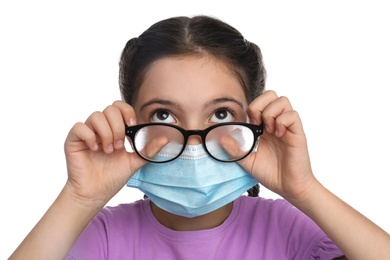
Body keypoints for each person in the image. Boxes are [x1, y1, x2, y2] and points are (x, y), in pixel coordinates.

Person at [9, 15, 390, 260]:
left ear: (255, 122)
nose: (193, 143)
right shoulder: (103, 237)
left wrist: (304, 188)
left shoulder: (288, 229)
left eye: (221, 114)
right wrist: (79, 198)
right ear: (129, 124)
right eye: (163, 114)